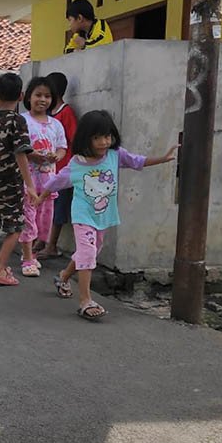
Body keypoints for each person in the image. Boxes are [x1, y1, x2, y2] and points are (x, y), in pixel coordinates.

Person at [35, 110, 177, 320]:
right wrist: (39, 198)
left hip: (103, 216)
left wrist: (163, 159)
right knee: (87, 253)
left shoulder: (115, 155)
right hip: (83, 216)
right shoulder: (76, 164)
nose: (104, 142)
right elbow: (55, 182)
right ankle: (85, 300)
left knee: (90, 251)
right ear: (86, 138)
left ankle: (64, 276)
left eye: (107, 136)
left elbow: (136, 161)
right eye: (97, 137)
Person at [0, 73, 38, 286]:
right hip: (8, 182)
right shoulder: (17, 121)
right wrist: (30, 185)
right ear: (21, 96)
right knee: (16, 227)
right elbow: (21, 153)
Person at [19, 76, 67, 277]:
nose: (43, 100)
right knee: (29, 218)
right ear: (28, 97)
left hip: (49, 182)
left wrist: (57, 156)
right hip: (28, 180)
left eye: (47, 96)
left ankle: (33, 254)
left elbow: (62, 148)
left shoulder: (56, 124)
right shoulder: (22, 120)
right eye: (38, 95)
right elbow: (18, 149)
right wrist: (33, 155)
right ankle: (28, 259)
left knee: (44, 221)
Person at [40, 71, 78, 260]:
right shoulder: (50, 114)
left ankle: (52, 245)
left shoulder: (66, 113)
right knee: (46, 205)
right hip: (48, 169)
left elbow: (74, 139)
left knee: (58, 208)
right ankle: (42, 239)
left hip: (63, 169)